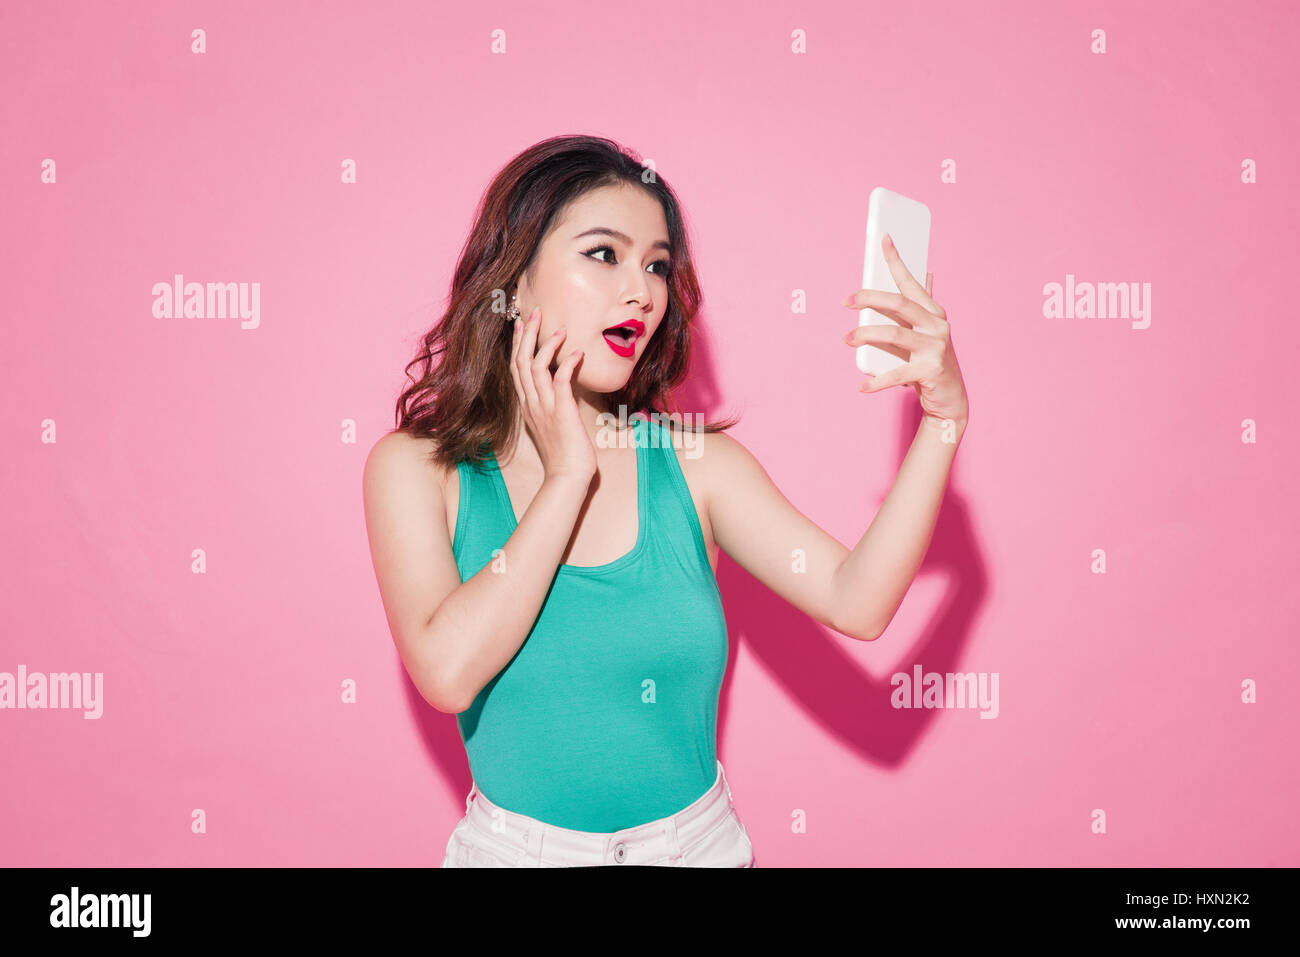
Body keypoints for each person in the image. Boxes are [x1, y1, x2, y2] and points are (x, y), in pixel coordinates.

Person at [362, 135, 969, 867]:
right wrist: (566, 478)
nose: (642, 292)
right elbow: (448, 671)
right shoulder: (418, 468)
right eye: (603, 254)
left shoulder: (696, 464)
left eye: (656, 264)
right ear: (513, 280)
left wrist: (942, 421)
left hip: (695, 849)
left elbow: (857, 600)